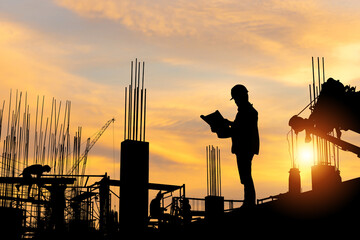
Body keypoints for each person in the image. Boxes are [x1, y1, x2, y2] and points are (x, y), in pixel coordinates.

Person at [217, 84, 260, 208]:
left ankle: (249, 202)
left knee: (246, 175)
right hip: (245, 147)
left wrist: (223, 130)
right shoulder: (245, 112)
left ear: (240, 97)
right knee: (245, 175)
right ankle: (248, 201)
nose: (235, 102)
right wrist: (228, 123)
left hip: (244, 147)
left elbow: (239, 130)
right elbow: (238, 127)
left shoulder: (246, 112)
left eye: (236, 99)